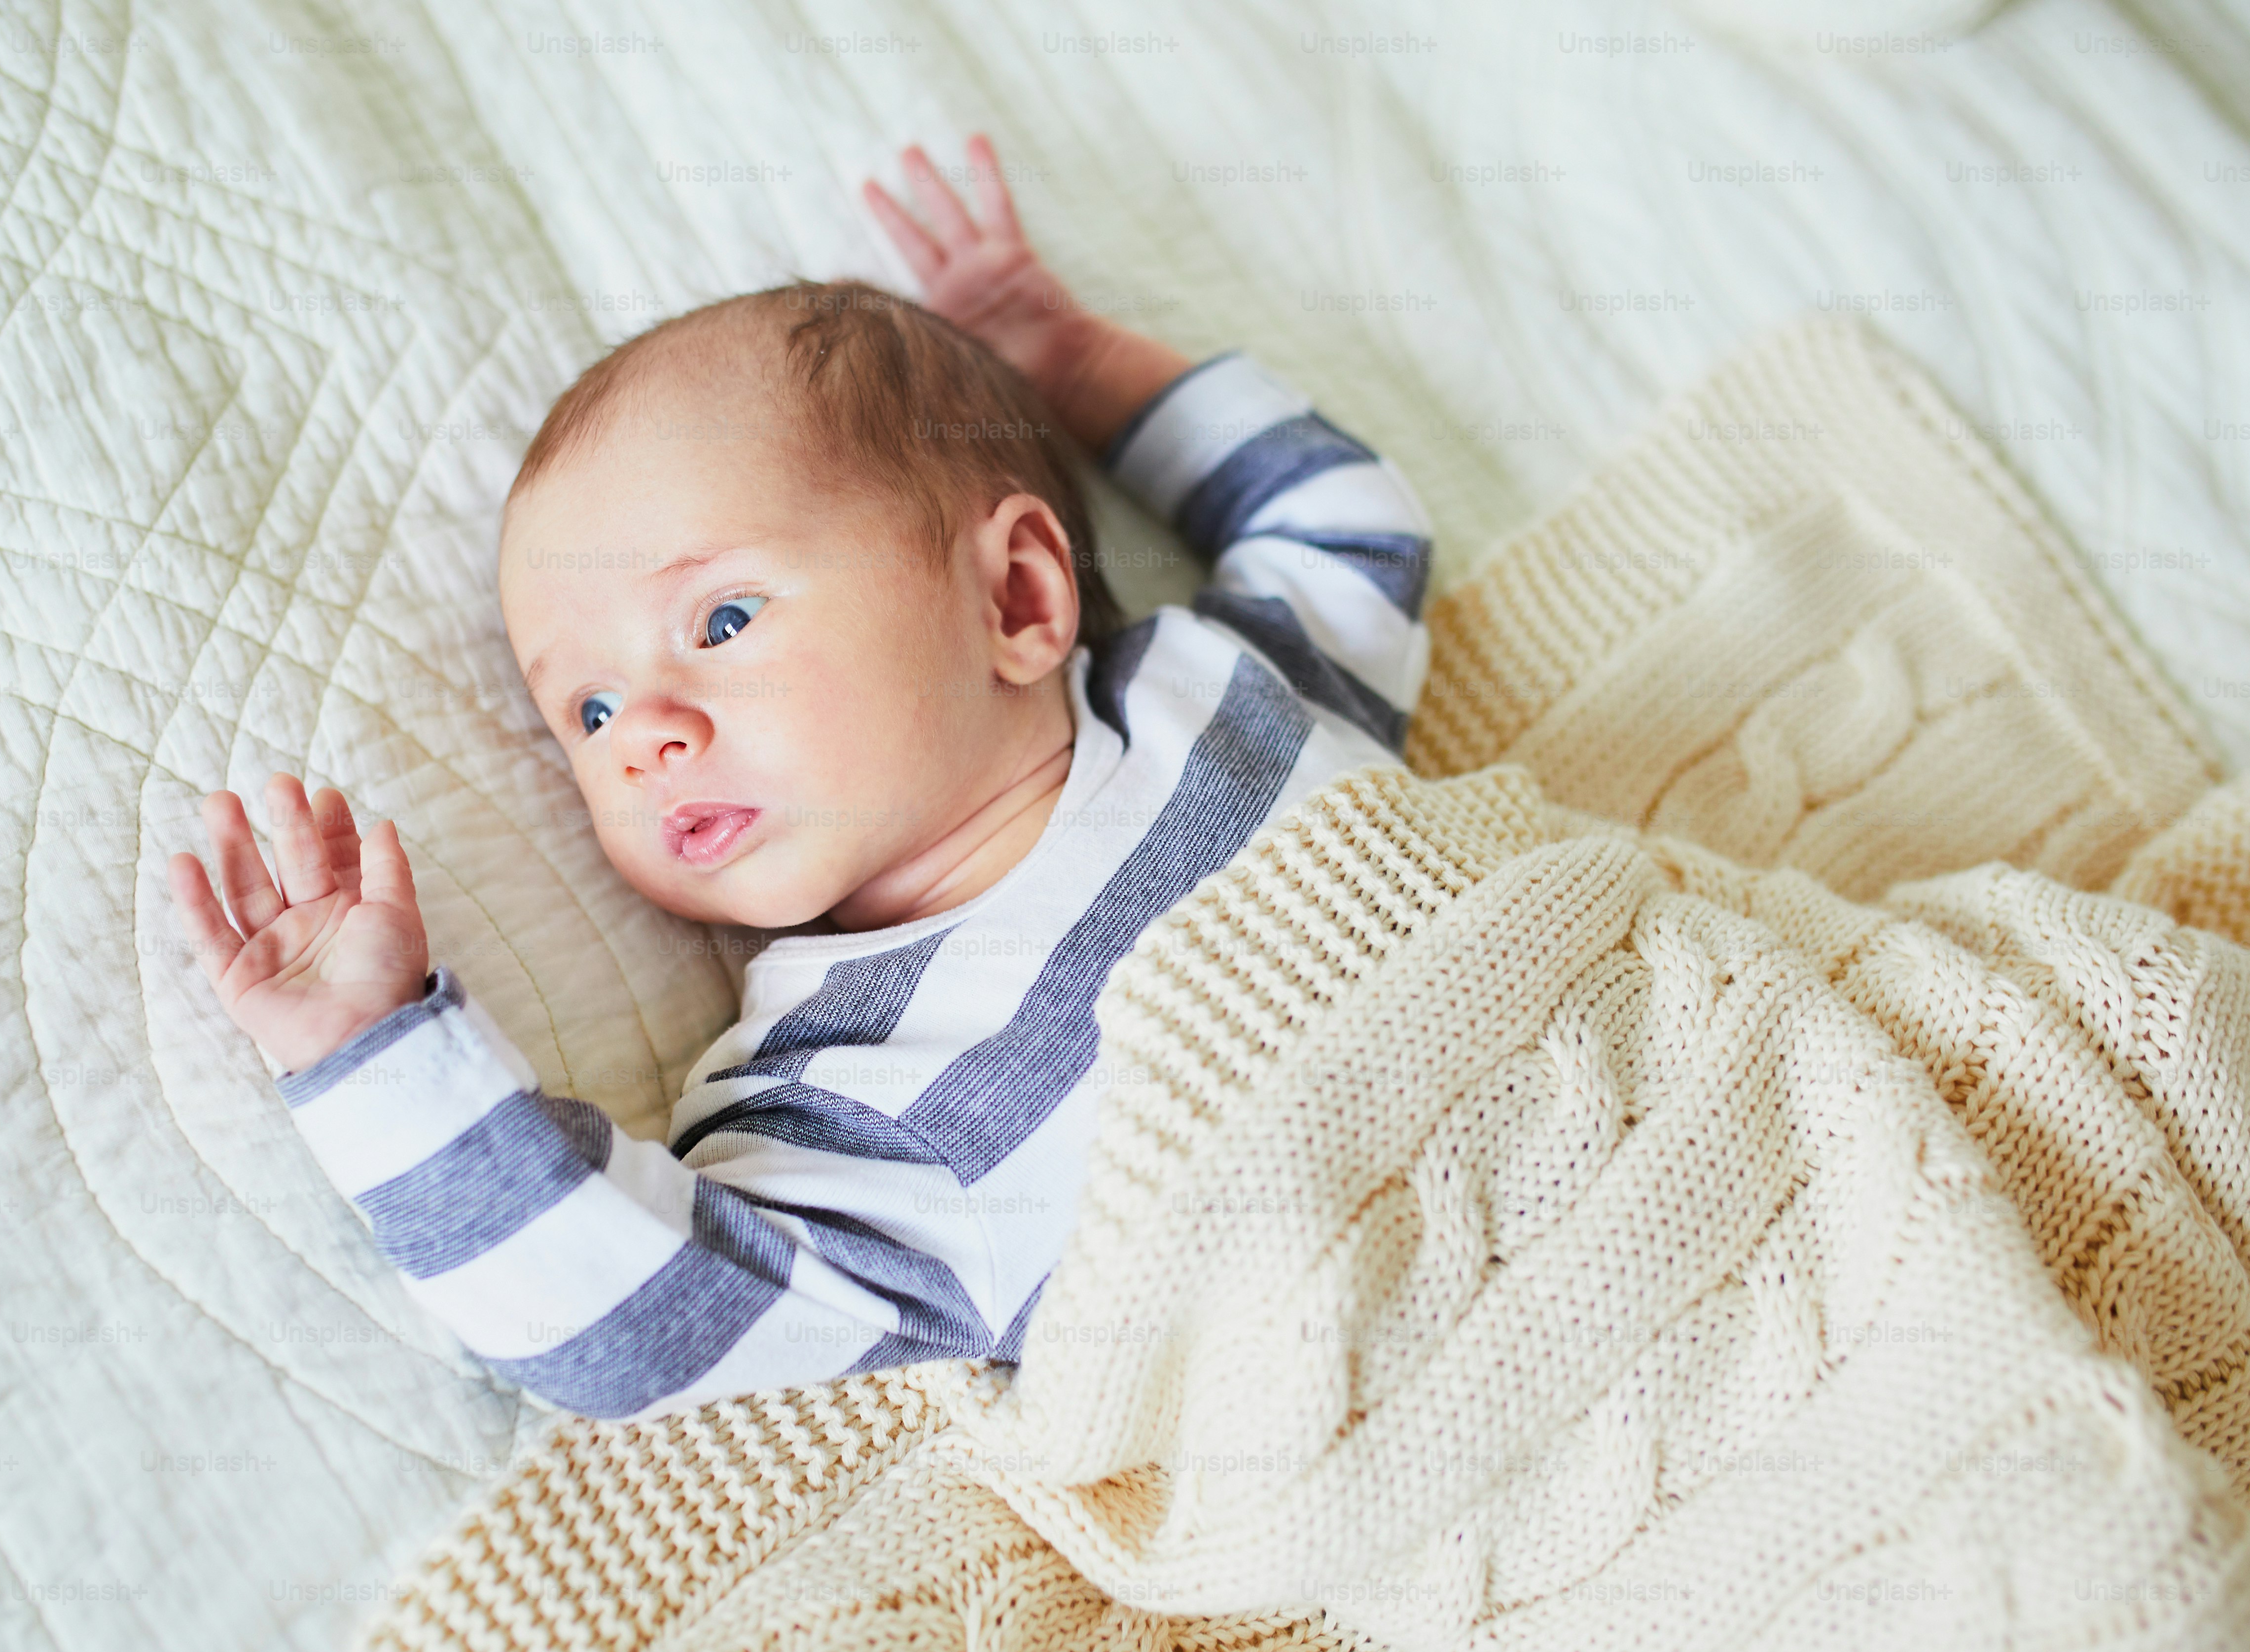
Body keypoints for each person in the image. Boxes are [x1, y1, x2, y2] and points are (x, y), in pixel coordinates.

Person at [169, 135, 1434, 1419]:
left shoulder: (1215, 696)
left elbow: (1346, 522)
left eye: (720, 623)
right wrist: (372, 1052)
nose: (639, 733)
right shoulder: (831, 1092)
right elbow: (622, 1324)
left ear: (1016, 595)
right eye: (586, 707)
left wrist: (1073, 365)